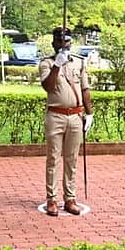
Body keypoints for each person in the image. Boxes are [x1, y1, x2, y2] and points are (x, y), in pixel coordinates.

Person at [39, 27, 93, 216]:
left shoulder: (79, 62)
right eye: (60, 42)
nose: (63, 45)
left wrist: (89, 113)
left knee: (72, 159)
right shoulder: (46, 63)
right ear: (54, 43)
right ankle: (52, 199)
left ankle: (70, 198)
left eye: (67, 42)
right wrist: (57, 65)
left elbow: (85, 89)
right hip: (56, 115)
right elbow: (48, 86)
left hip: (75, 116)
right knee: (53, 159)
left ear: (71, 43)